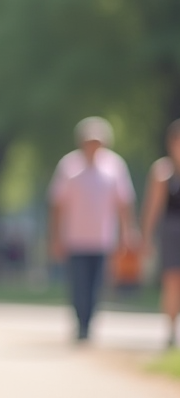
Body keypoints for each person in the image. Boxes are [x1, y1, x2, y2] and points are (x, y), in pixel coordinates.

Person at [48, 116, 139, 344]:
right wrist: (55, 237)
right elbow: (58, 205)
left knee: (97, 286)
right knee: (78, 285)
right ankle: (80, 323)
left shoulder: (115, 166)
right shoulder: (69, 166)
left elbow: (124, 203)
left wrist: (127, 232)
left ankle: (89, 325)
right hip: (75, 238)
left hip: (103, 238)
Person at [140, 118, 180, 348]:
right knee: (172, 282)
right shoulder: (162, 172)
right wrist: (146, 237)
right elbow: (152, 207)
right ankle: (171, 331)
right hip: (171, 231)